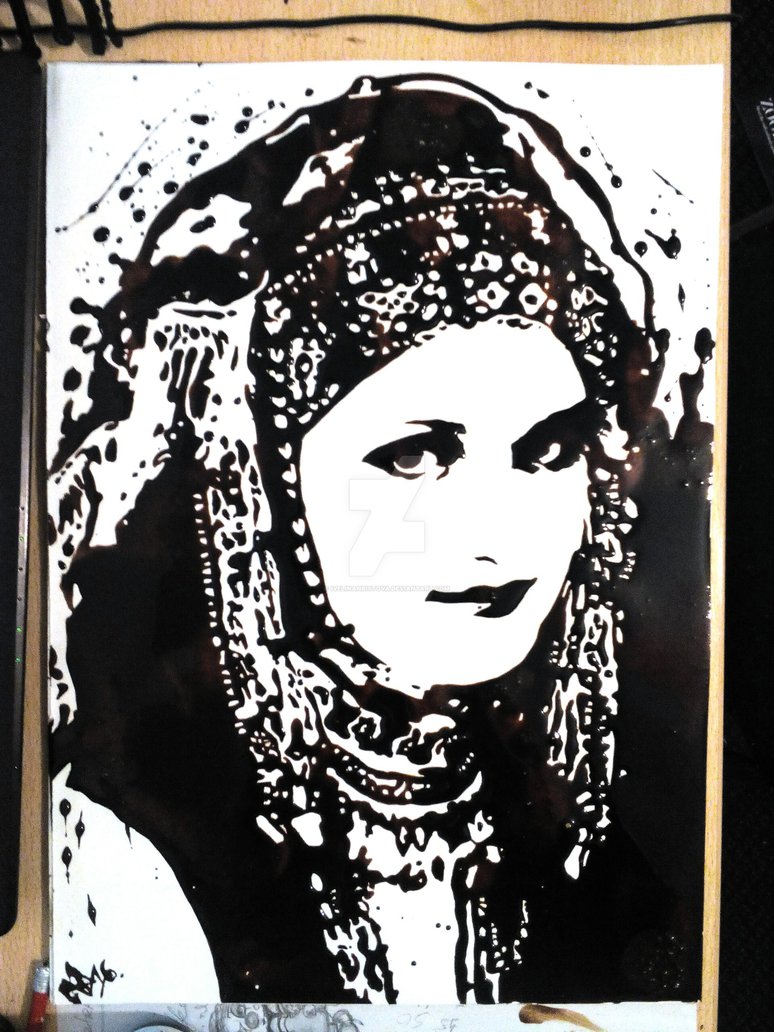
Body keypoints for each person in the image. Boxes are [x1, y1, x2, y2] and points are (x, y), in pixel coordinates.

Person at [48, 72, 711, 1004]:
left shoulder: (606, 824)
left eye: (547, 450)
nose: (498, 525)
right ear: (268, 483)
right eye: (414, 457)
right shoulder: (129, 843)